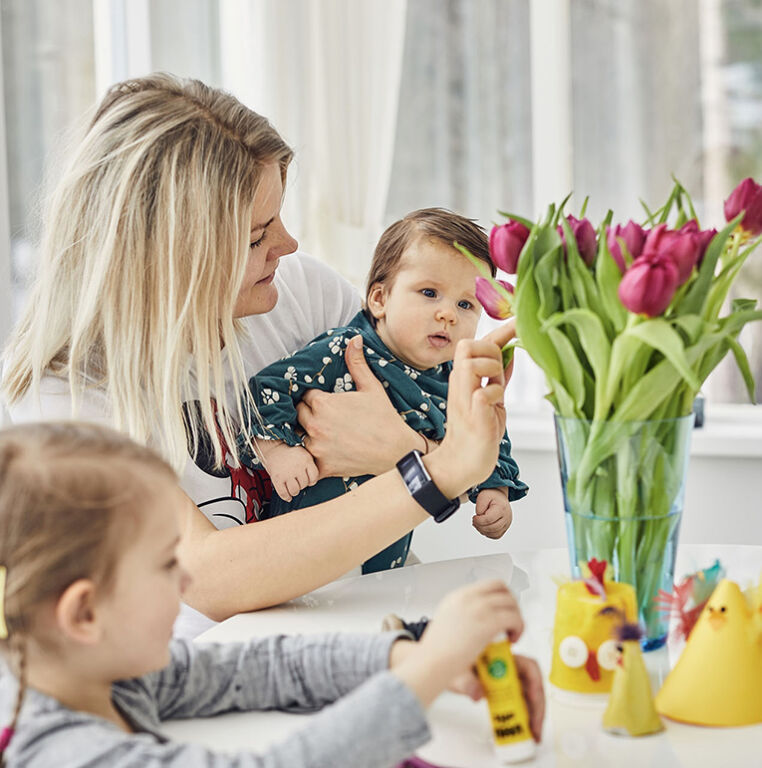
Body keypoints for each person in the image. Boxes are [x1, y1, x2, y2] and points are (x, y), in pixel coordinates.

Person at [0, 72, 519, 632]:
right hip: (220, 672)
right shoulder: (65, 391)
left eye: (279, 217)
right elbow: (206, 579)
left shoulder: (302, 294)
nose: (288, 244)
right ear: (168, 255)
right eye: (255, 236)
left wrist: (410, 448)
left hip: (374, 617)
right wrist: (429, 471)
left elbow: (421, 413)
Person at [0, 422, 545, 767]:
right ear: (85, 613)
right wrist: (427, 672)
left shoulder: (101, 679)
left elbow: (263, 668)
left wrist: (411, 656)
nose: (186, 581)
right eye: (166, 565)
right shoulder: (62, 753)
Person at [245, 208, 528, 573]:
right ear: (379, 299)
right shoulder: (346, 349)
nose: (448, 315)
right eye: (429, 293)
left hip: (383, 561)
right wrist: (278, 451)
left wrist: (495, 490)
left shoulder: (459, 378)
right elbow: (267, 388)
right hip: (300, 550)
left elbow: (488, 436)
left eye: (465, 304)